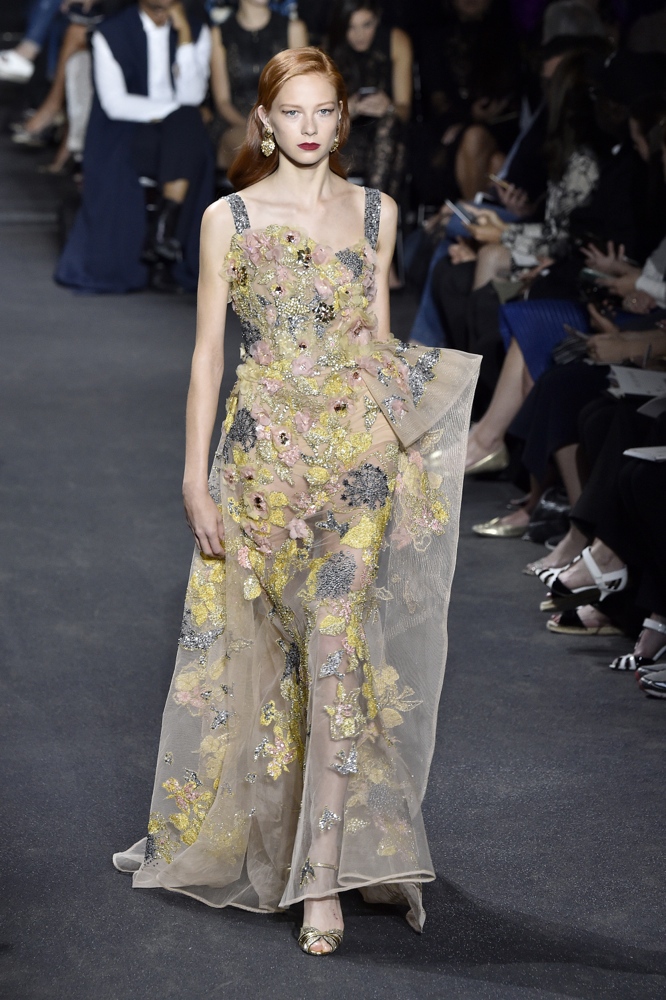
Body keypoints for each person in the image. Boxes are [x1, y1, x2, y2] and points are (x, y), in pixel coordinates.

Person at [112, 47, 480, 955]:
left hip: (356, 459)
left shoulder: (378, 212)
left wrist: (413, 457)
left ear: (339, 121)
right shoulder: (227, 219)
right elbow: (207, 356)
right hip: (263, 467)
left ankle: (322, 878)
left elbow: (380, 339)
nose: (311, 127)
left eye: (326, 112)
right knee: (266, 658)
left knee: (337, 654)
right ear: (264, 122)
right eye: (295, 112)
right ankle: (265, 838)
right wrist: (194, 475)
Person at [55, 0, 214, 294]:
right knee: (189, 123)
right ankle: (165, 235)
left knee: (188, 127)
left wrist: (184, 38)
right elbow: (116, 105)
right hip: (126, 130)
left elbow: (192, 93)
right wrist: (177, 111)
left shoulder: (196, 29)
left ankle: (161, 232)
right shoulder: (110, 32)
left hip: (176, 137)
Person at [327, 0, 412, 198]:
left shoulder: (395, 40)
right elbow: (322, 115)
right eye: (351, 27)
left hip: (390, 132)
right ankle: (375, 219)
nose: (359, 35)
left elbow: (405, 111)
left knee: (390, 131)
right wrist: (349, 108)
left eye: (367, 25)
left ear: (377, 19)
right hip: (348, 134)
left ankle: (372, 216)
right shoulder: (331, 47)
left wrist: (388, 107)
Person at [209, 0, 308, 169]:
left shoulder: (293, 29)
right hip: (236, 121)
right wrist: (252, 127)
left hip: (284, 119)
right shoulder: (220, 33)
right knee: (252, 151)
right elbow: (222, 101)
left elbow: (302, 91)